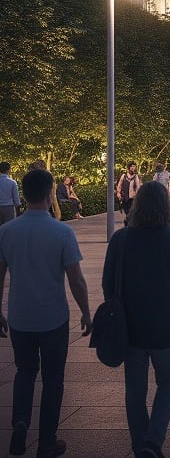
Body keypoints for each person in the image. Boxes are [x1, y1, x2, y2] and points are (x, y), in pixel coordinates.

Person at [102, 181, 170, 458]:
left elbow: (107, 285)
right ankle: (154, 440)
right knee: (169, 382)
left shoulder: (120, 240)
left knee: (134, 391)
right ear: (166, 207)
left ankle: (140, 445)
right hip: (167, 327)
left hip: (131, 329)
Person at [0, 168, 91, 458]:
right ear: (50, 193)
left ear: (23, 194)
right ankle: (47, 440)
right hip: (53, 317)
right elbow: (76, 279)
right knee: (53, 378)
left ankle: (20, 422)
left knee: (25, 371)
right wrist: (86, 312)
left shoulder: (6, 232)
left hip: (19, 317)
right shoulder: (62, 231)